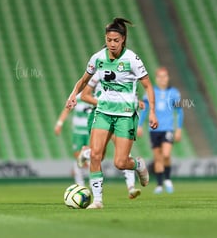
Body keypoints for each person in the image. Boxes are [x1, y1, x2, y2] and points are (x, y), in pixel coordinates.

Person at [65, 17, 158, 209]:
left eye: (116, 40)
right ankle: (98, 201)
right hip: (103, 112)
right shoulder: (97, 58)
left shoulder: (132, 59)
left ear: (123, 39)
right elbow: (83, 80)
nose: (112, 44)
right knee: (96, 155)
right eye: (109, 40)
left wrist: (152, 113)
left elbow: (148, 86)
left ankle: (137, 164)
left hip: (125, 115)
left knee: (120, 162)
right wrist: (73, 94)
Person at [79, 71, 141, 199]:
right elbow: (85, 95)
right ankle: (86, 153)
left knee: (123, 152)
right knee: (98, 156)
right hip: (100, 114)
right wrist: (105, 105)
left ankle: (131, 187)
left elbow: (128, 95)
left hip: (119, 115)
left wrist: (135, 103)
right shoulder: (99, 73)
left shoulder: (125, 74)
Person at [137, 67, 183, 194]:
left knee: (166, 154)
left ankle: (167, 179)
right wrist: (139, 125)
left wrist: (179, 129)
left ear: (168, 78)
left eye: (165, 76)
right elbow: (145, 109)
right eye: (160, 77)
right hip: (154, 129)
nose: (163, 79)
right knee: (157, 158)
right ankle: (159, 185)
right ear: (156, 79)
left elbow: (179, 111)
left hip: (168, 128)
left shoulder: (174, 93)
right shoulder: (151, 92)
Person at [55, 94, 92, 186]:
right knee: (78, 158)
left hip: (91, 132)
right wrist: (59, 123)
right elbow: (67, 109)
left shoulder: (97, 96)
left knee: (91, 158)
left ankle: (94, 185)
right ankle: (80, 185)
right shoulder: (77, 97)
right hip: (78, 133)